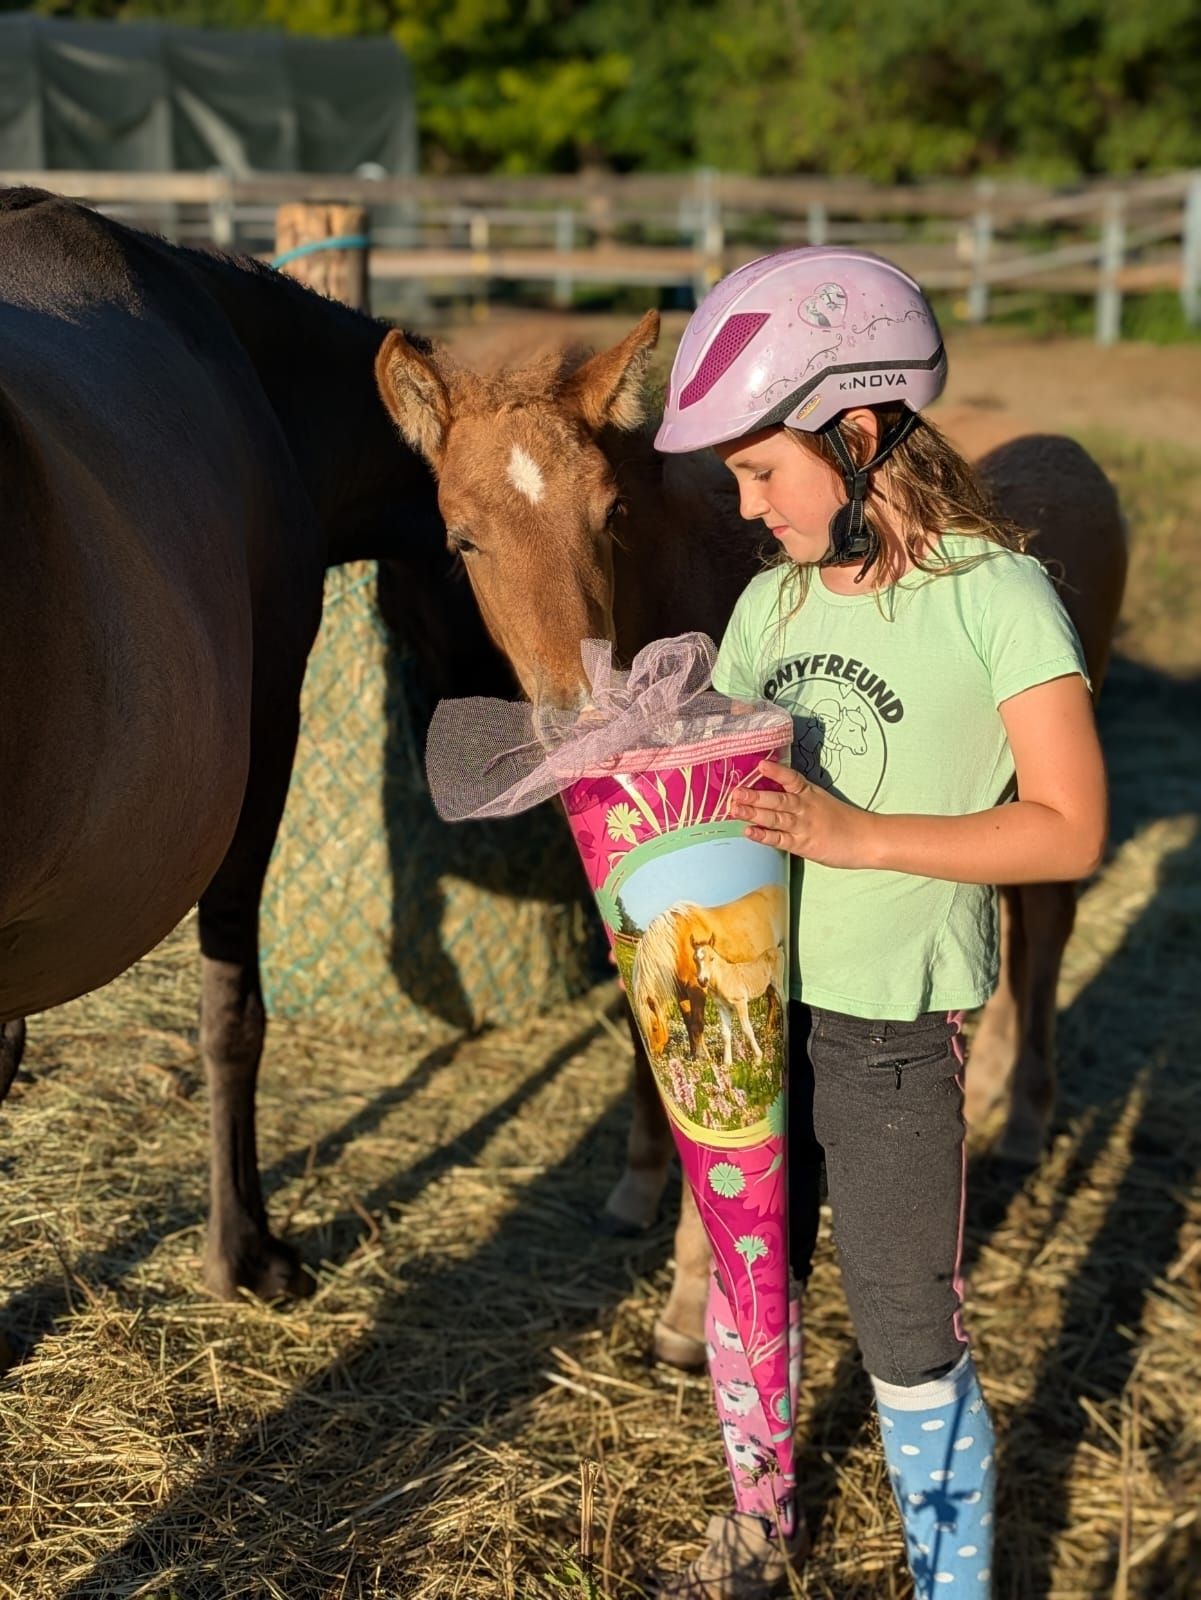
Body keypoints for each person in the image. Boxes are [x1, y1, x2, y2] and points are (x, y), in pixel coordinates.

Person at [650, 248, 1108, 1598]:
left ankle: (947, 1577)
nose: (745, 510)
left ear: (856, 435)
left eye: (759, 473)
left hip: (893, 1025)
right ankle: (757, 1516)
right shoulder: (768, 604)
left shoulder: (995, 598)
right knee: (751, 1282)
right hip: (746, 1003)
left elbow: (1068, 827)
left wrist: (856, 837)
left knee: (906, 1324)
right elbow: (720, 791)